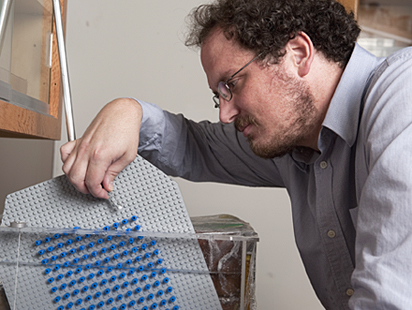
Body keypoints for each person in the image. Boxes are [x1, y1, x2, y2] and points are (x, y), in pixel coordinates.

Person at [60, 0, 412, 309]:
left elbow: (389, 299)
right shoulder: (298, 143)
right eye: (218, 95)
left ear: (298, 54)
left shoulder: (401, 99)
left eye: (232, 84)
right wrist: (128, 111)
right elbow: (199, 147)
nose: (224, 114)